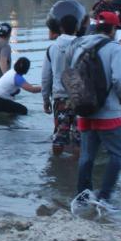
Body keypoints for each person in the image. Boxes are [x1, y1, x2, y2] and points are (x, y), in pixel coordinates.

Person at [71, 12, 121, 212]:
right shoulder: (116, 49)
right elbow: (119, 80)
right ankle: (104, 196)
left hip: (84, 109)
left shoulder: (78, 45)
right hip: (108, 112)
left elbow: (70, 75)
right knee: (119, 153)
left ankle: (81, 195)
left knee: (87, 156)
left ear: (96, 26)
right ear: (114, 29)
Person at [42, 14, 79, 155]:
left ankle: (56, 168)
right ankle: (76, 171)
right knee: (79, 137)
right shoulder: (83, 45)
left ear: (61, 28)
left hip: (60, 98)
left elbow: (46, 78)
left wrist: (46, 100)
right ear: (77, 28)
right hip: (79, 98)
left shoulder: (52, 49)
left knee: (59, 136)